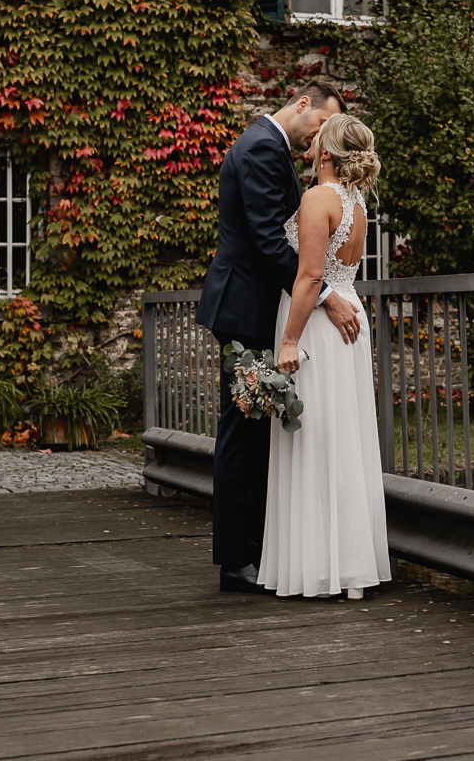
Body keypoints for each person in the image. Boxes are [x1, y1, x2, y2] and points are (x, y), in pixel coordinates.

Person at [197, 81, 363, 594]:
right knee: (243, 429)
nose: (321, 138)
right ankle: (236, 561)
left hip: (256, 306)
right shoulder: (261, 148)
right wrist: (324, 294)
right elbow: (270, 240)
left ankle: (262, 549)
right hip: (245, 309)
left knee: (258, 429)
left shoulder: (270, 147)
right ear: (302, 104)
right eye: (321, 124)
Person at [260, 112, 389, 600]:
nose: (309, 142)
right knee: (343, 440)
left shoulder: (318, 198)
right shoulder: (357, 202)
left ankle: (320, 570)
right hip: (349, 316)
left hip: (318, 326)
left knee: (315, 441)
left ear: (328, 154)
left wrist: (288, 340)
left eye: (317, 139)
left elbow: (311, 277)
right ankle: (349, 570)